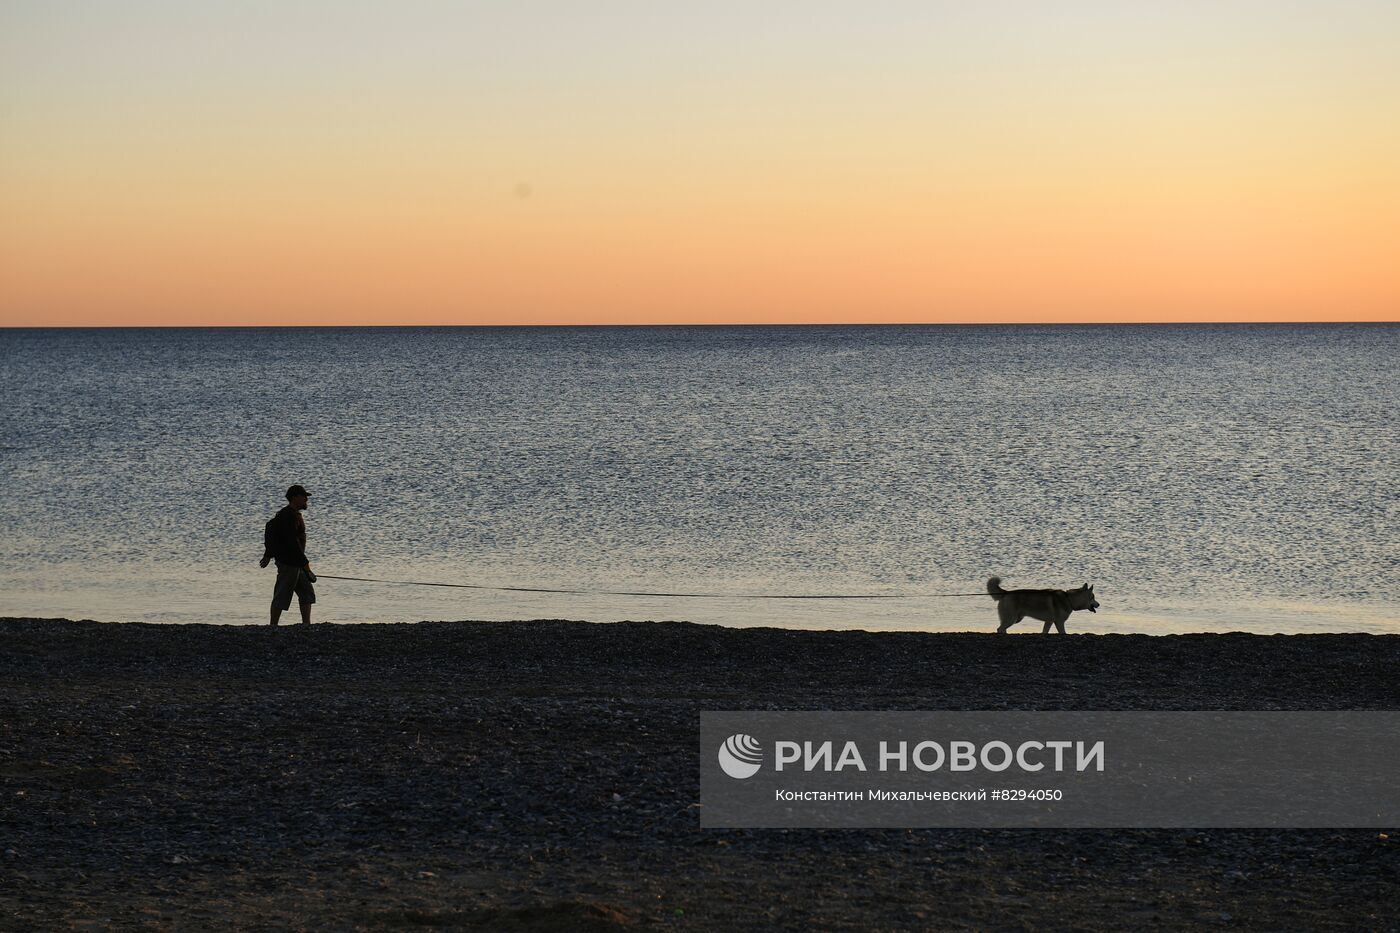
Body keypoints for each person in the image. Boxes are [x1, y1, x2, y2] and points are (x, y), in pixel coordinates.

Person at [261, 484, 316, 626]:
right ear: (294, 498)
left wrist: (268, 555)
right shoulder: (287, 516)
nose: (306, 500)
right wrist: (306, 566)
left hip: (297, 562)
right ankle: (273, 626)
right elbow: (291, 543)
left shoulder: (291, 515)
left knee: (306, 592)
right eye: (303, 497)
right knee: (282, 594)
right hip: (289, 562)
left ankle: (306, 624)